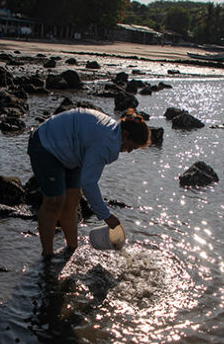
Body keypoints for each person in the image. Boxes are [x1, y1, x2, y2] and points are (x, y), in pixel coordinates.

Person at [27, 107, 151, 257]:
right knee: (54, 202)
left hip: (73, 149)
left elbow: (87, 178)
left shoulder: (113, 133)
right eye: (131, 146)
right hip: (46, 145)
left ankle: (72, 249)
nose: (129, 151)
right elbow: (89, 184)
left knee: (72, 201)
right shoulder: (107, 143)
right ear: (125, 134)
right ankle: (47, 256)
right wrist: (106, 216)